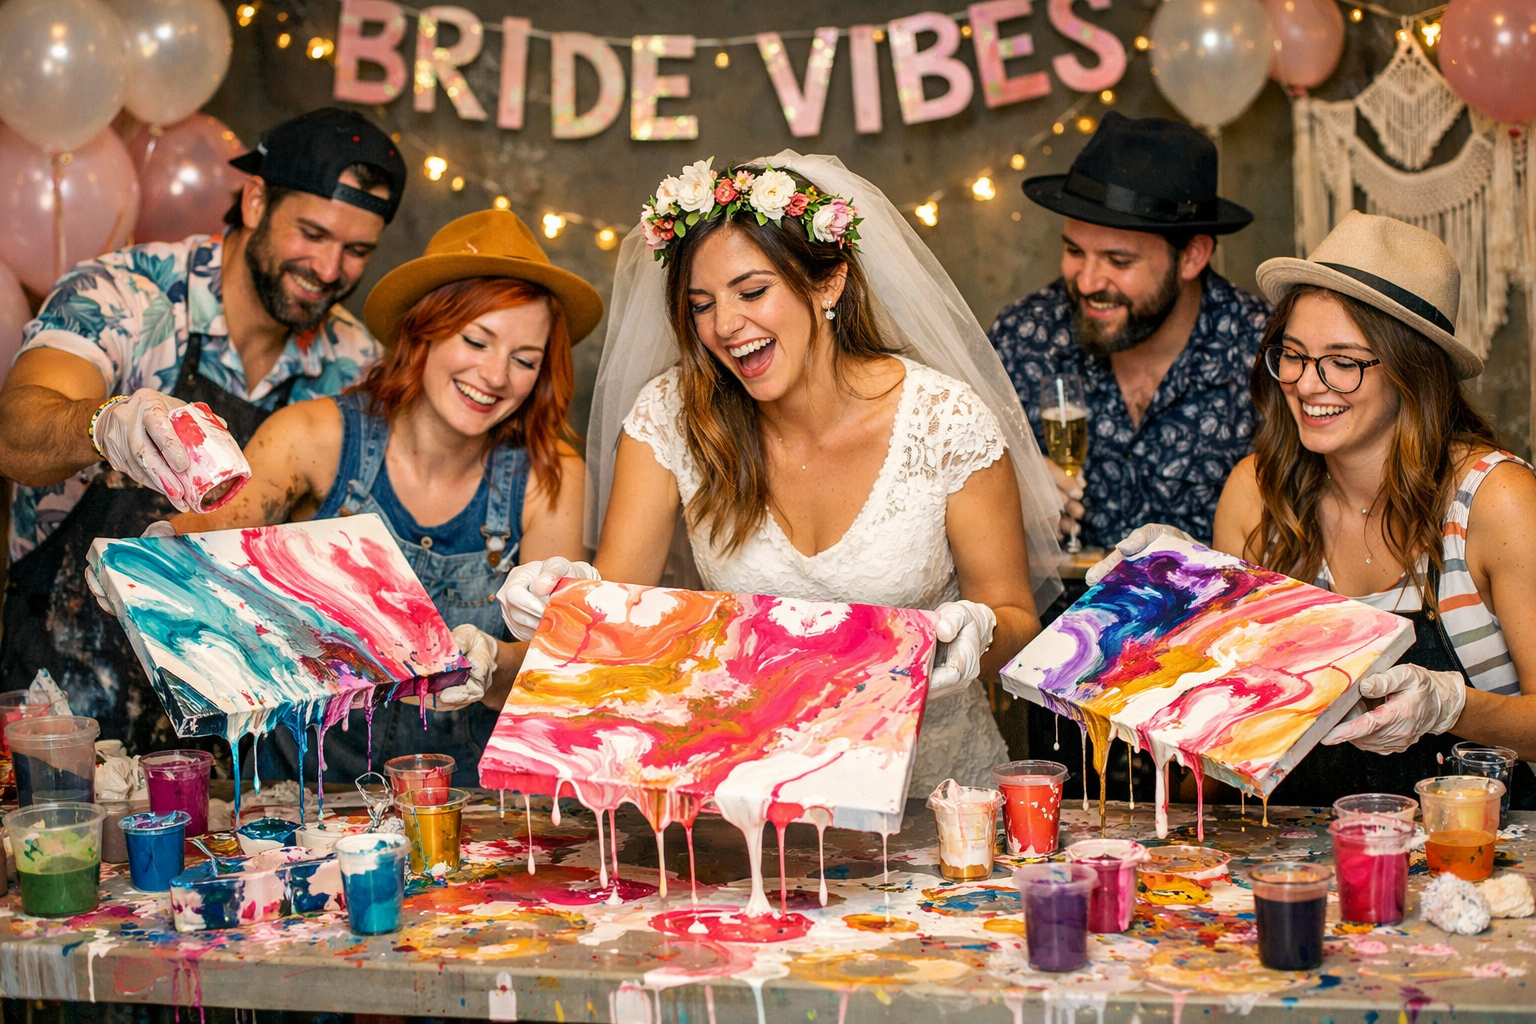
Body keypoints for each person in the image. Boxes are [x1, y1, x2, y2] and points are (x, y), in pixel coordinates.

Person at [499, 152, 1063, 792]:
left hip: (935, 800)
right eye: (701, 304)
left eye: (753, 291)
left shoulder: (945, 421)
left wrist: (977, 635)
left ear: (828, 282)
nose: (725, 326)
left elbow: (1017, 619)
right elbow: (622, 625)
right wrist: (553, 611)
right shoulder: (672, 417)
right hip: (752, 797)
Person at [0, 108, 406, 753]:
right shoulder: (124, 294)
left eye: (356, 251)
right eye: (312, 232)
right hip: (60, 707)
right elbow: (16, 433)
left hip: (228, 735)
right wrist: (108, 425)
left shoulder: (352, 362)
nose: (330, 269)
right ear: (253, 200)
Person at [156, 209, 602, 787]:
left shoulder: (550, 478)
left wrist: (492, 660)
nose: (495, 376)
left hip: (464, 805)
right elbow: (206, 541)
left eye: (524, 360)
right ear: (424, 330)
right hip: (299, 798)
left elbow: (550, 667)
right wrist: (158, 557)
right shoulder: (313, 437)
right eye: (476, 340)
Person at [1104, 212, 1536, 805]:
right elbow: (1221, 746)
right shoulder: (1256, 494)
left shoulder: (1495, 500)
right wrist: (1163, 624)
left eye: (1344, 361)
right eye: (1294, 355)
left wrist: (1450, 705)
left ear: (1414, 371)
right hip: (1290, 856)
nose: (1308, 384)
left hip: (1468, 855)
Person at [988, 112, 1268, 554]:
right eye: (1074, 251)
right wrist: (1007, 482)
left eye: (1119, 261)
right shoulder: (1024, 334)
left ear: (1192, 256)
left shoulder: (1262, 351)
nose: (1087, 282)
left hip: (1217, 616)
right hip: (1055, 617)